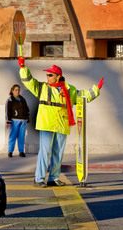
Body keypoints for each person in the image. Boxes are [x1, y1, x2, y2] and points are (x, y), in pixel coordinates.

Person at [18, 57, 104, 188]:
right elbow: (29, 82)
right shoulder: (42, 87)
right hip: (47, 124)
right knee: (45, 152)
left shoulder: (70, 90)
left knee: (58, 153)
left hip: (62, 124)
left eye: (50, 75)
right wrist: (23, 67)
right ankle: (39, 179)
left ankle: (54, 178)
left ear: (58, 76)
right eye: (47, 74)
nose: (47, 77)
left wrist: (96, 89)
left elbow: (84, 96)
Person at [6, 84, 30, 158]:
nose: (17, 91)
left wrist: (27, 117)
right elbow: (8, 112)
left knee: (21, 137)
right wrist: (8, 122)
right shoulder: (10, 100)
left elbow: (26, 108)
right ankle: (10, 151)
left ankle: (21, 151)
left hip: (23, 121)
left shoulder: (22, 99)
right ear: (12, 91)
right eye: (16, 90)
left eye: (18, 90)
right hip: (14, 121)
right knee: (13, 136)